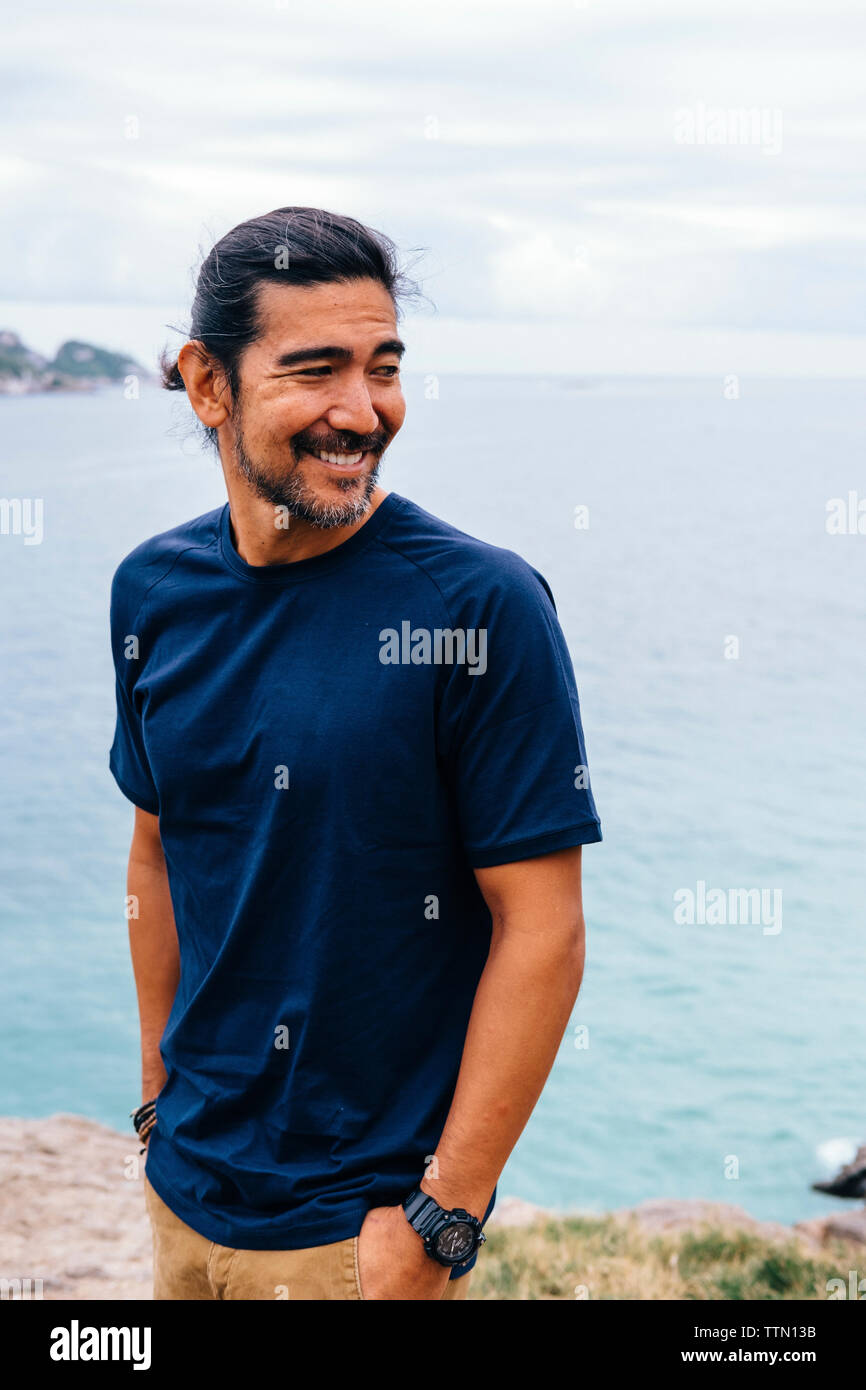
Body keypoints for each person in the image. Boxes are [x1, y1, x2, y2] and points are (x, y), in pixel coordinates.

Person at [110, 206, 602, 1300]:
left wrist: (441, 1222)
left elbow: (544, 927)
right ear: (206, 383)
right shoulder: (152, 592)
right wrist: (156, 1098)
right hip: (182, 1196)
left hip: (355, 1237)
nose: (362, 410)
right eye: (314, 369)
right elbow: (156, 852)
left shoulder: (481, 606)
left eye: (382, 367)